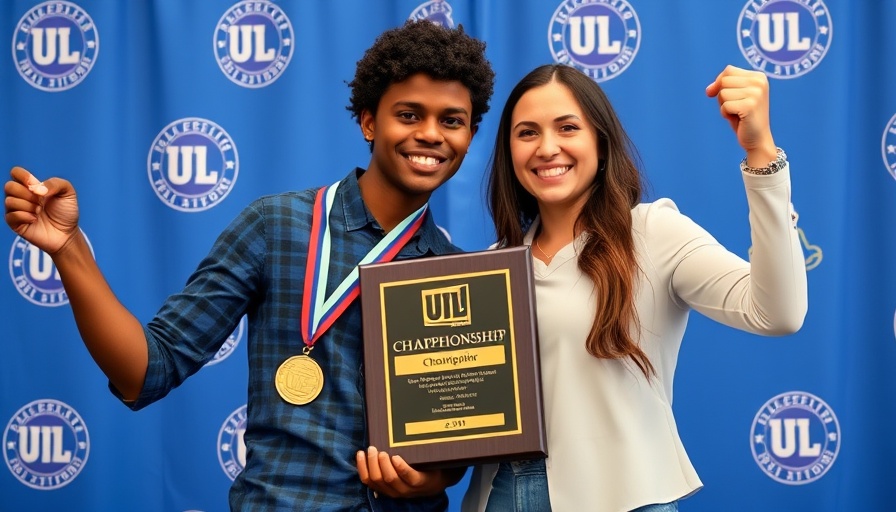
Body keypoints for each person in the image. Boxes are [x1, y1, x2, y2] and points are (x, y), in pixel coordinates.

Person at [4, 19, 494, 511]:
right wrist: (68, 249)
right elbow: (146, 370)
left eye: (451, 121)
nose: (430, 134)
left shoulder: (459, 274)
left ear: (470, 135)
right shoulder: (276, 225)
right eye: (409, 115)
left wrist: (429, 480)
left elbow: (454, 445)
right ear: (369, 121)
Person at [461, 64, 808, 512]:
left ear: (601, 144)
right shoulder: (491, 266)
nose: (547, 148)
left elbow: (778, 313)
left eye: (567, 128)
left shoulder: (652, 232)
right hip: (501, 495)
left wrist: (761, 153)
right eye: (527, 133)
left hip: (628, 497)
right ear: (509, 151)